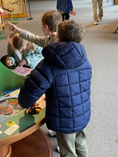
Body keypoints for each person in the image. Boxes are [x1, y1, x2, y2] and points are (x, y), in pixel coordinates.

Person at [18, 20, 92, 157]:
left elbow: (31, 88)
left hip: (65, 117)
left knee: (68, 151)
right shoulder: (83, 59)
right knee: (80, 143)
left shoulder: (49, 63)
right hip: (82, 113)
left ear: (58, 38)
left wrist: (22, 102)